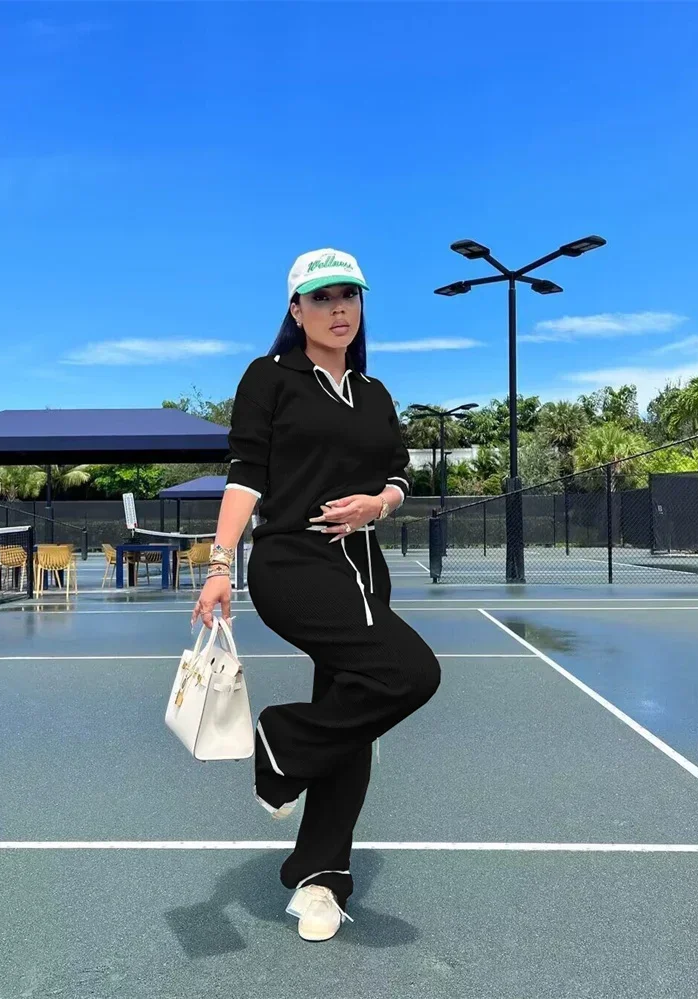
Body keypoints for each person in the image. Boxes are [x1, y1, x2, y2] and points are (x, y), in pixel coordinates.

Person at [192, 248, 441, 942]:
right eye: (322, 297)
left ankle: (321, 878)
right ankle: (282, 741)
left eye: (349, 296)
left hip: (363, 569)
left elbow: (399, 476)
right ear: (296, 310)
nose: (339, 309)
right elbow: (246, 474)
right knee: (411, 672)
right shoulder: (269, 377)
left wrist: (378, 504)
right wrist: (219, 563)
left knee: (353, 716)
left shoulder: (376, 393)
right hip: (293, 560)